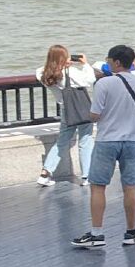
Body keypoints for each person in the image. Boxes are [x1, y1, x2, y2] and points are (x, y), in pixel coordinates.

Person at [71, 44, 135, 248]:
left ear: (117, 62)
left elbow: (95, 115)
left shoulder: (104, 84)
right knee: (131, 187)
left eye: (109, 60)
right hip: (134, 140)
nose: (107, 63)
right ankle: (131, 232)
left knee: (98, 186)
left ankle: (97, 233)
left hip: (107, 139)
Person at [36, 44, 97, 187]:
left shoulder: (44, 74)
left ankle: (45, 173)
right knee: (85, 140)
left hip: (66, 111)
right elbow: (89, 80)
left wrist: (59, 63)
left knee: (62, 142)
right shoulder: (71, 72)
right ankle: (87, 176)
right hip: (82, 109)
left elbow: (40, 70)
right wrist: (85, 64)